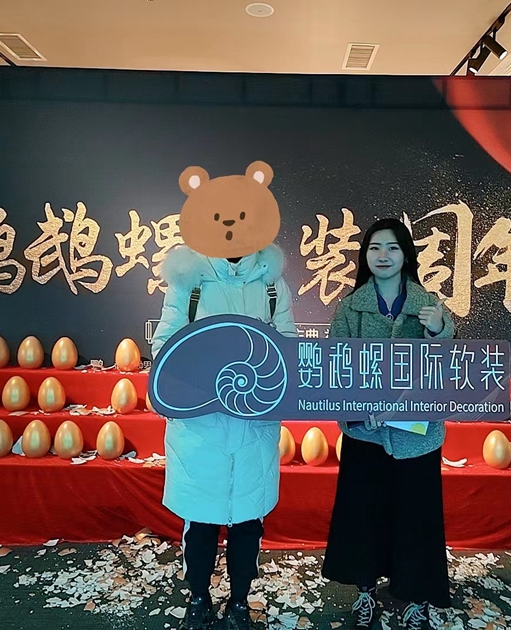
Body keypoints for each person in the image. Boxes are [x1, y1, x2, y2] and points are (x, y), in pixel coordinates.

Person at [151, 161, 297, 630]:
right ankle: (198, 598)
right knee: (200, 520)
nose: (232, 227)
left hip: (254, 425)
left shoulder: (272, 285)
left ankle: (239, 600)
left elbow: (288, 347)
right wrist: (201, 379)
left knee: (248, 521)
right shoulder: (189, 282)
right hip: (201, 427)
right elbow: (164, 347)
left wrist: (265, 383)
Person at [321, 218, 454, 630]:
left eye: (393, 247)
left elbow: (448, 367)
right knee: (364, 517)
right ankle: (366, 592)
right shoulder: (350, 308)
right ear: (364, 256)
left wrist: (438, 330)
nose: (383, 255)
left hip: (417, 439)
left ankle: (415, 598)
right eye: (375, 247)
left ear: (406, 255)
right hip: (366, 436)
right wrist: (361, 411)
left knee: (415, 520)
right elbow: (336, 369)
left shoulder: (429, 304)